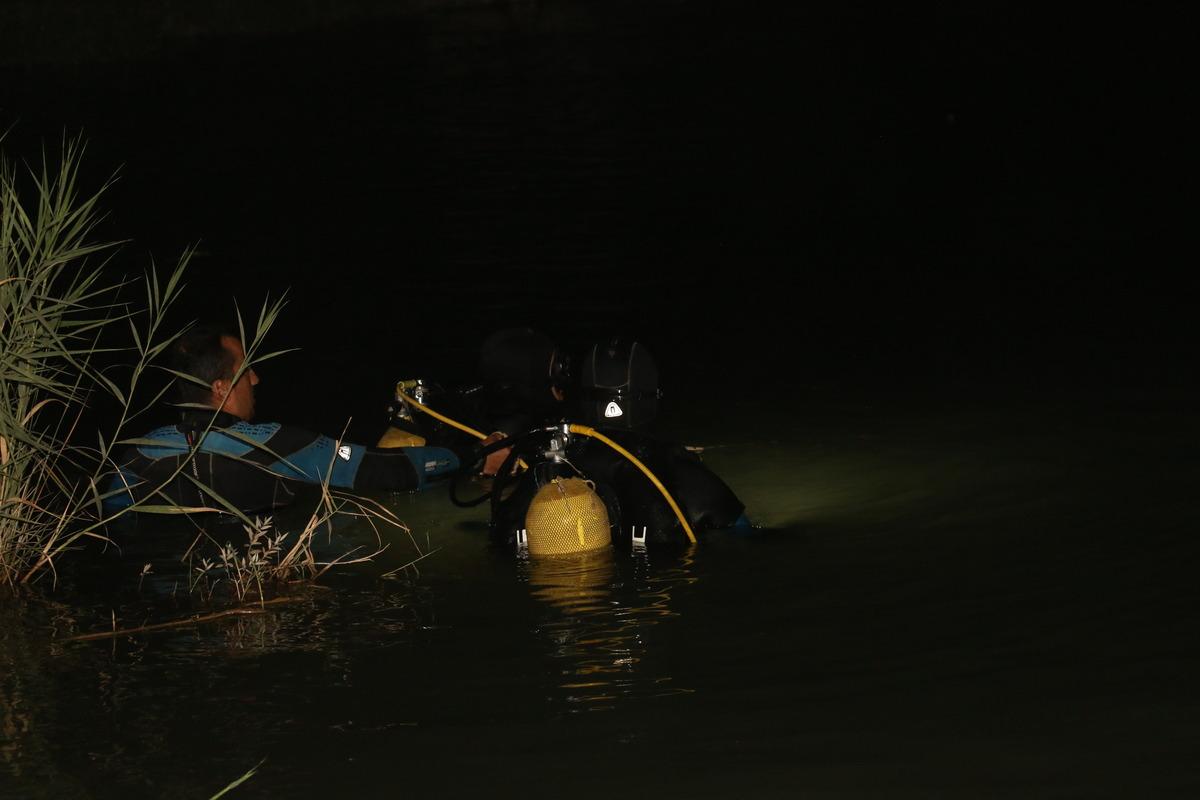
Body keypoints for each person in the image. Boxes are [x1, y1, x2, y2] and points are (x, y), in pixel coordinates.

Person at [103, 322, 480, 515]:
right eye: (246, 369)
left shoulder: (134, 457)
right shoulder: (275, 445)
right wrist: (472, 455)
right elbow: (387, 471)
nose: (256, 378)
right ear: (220, 388)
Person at [483, 335, 749, 549]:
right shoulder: (687, 476)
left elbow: (499, 537)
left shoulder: (550, 467)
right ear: (652, 396)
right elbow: (746, 538)